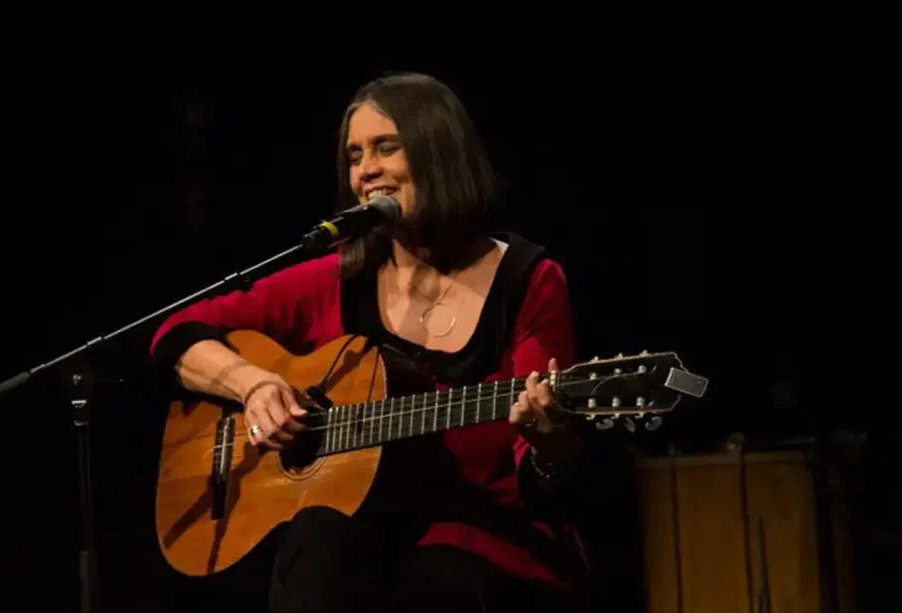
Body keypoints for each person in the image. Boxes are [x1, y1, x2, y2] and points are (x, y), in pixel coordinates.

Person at [150, 72, 592, 613]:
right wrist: (254, 385)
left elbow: (546, 480)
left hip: (491, 548)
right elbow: (177, 333)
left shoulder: (529, 280)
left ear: (438, 153)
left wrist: (550, 445)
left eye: (386, 148)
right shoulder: (339, 280)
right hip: (365, 549)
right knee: (319, 537)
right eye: (355, 156)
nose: (366, 171)